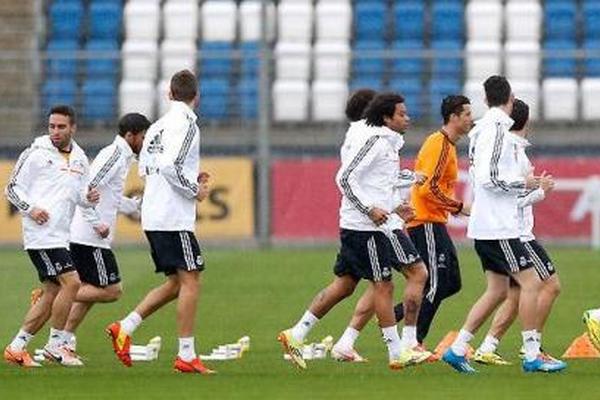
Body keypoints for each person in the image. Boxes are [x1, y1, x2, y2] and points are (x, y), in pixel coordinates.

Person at [278, 93, 430, 370]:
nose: (408, 118)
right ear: (386, 117)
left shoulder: (385, 142)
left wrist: (395, 205)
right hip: (365, 228)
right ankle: (398, 352)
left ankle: (296, 333)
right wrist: (370, 209)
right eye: (402, 114)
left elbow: (377, 181)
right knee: (384, 286)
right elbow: (345, 177)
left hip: (368, 224)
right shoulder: (375, 141)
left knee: (345, 286)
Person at [331, 95, 474, 362]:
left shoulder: (423, 145)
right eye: (467, 113)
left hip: (404, 219)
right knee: (422, 278)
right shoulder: (435, 144)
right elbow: (427, 188)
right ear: (453, 116)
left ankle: (361, 334)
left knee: (440, 281)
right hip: (419, 220)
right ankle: (412, 342)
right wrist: (457, 206)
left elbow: (389, 181)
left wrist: (399, 201)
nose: (471, 119)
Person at [442, 76, 565, 373]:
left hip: (488, 224)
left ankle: (458, 349)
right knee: (533, 284)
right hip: (499, 226)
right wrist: (526, 183)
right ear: (509, 100)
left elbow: (484, 177)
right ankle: (532, 354)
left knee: (497, 291)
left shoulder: (483, 129)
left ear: (485, 100)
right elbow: (490, 178)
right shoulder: (497, 130)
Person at [106, 70, 212, 374]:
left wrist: (191, 179)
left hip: (154, 214)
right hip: (172, 216)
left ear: (169, 94)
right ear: (196, 97)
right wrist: (195, 190)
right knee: (191, 280)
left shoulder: (156, 128)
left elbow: (146, 168)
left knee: (176, 283)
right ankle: (186, 355)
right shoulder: (188, 125)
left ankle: (124, 327)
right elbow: (170, 166)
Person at [3, 105, 100, 367]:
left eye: (61, 127)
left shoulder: (80, 158)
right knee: (72, 284)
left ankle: (17, 346)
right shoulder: (35, 153)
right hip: (41, 234)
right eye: (51, 126)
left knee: (52, 291)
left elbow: (79, 195)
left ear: (73, 128)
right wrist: (31, 209)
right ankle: (56, 345)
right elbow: (11, 189)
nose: (55, 132)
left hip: (60, 234)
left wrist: (89, 199)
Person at [472, 99, 565, 368]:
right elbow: (511, 199)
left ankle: (487, 346)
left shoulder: (509, 148)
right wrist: (540, 192)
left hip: (514, 231)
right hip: (519, 234)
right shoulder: (513, 152)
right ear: (526, 121)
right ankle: (532, 347)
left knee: (515, 295)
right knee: (549, 285)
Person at [62, 113, 151, 355]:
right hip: (90, 236)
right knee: (112, 290)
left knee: (90, 290)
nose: (144, 142)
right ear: (130, 135)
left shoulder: (121, 157)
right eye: (143, 137)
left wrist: (135, 206)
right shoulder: (114, 155)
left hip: (87, 235)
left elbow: (108, 198)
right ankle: (55, 295)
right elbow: (86, 188)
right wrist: (95, 222)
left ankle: (64, 341)